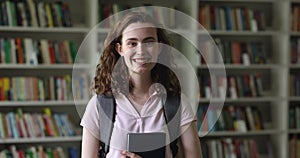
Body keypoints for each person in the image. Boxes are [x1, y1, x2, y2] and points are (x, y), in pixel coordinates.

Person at [80, 11, 202, 158]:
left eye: (149, 42)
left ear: (159, 47)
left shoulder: (178, 103)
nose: (141, 51)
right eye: (132, 43)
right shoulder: (99, 105)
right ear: (120, 49)